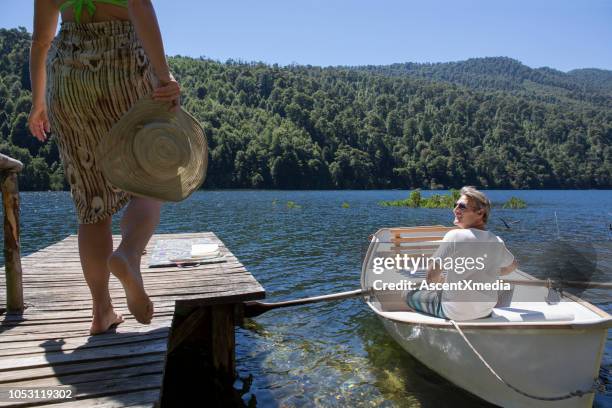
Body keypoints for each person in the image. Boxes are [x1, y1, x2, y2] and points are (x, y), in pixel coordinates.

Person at [28, 0, 181, 335]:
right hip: (123, 61)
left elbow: (41, 41)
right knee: (150, 177)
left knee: (90, 202)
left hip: (67, 76)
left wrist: (38, 102)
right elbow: (138, 4)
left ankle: (102, 311)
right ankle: (127, 253)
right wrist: (162, 73)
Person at [404, 186, 518, 320]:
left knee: (407, 293)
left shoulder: (454, 236)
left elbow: (431, 278)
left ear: (480, 213)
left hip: (455, 312)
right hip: (485, 311)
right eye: (455, 205)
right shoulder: (497, 241)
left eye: (462, 206)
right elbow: (512, 266)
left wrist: (443, 283)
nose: (455, 209)